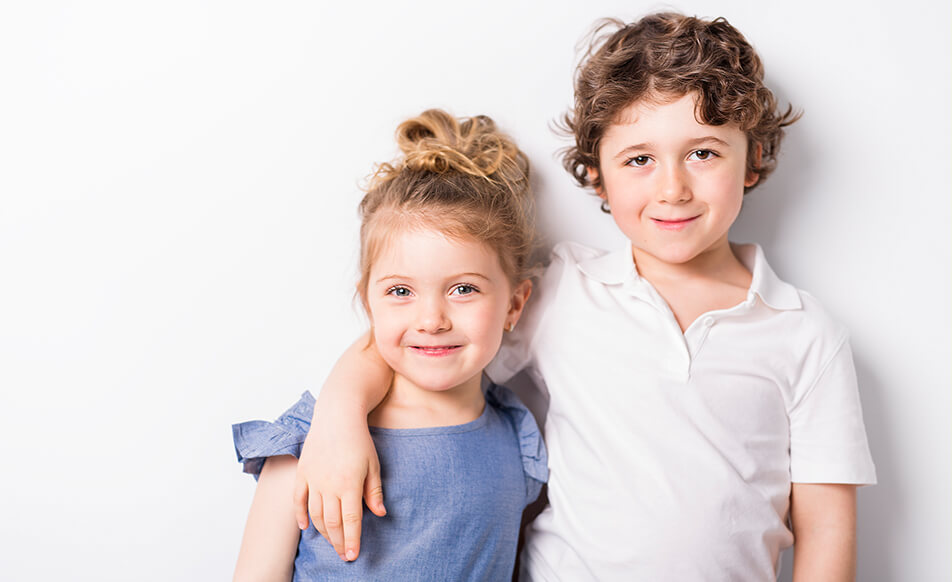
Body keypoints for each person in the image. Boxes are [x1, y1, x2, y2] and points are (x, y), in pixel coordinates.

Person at [292, 13, 876, 581]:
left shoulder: (805, 333)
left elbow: (825, 531)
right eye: (639, 159)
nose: (672, 187)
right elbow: (414, 340)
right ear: (597, 174)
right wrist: (337, 417)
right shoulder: (563, 291)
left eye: (703, 152)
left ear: (751, 159)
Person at [231, 109, 547, 581]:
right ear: (369, 302)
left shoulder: (518, 436)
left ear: (514, 305)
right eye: (401, 291)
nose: (432, 320)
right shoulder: (312, 443)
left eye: (464, 289)